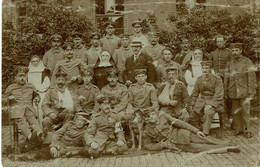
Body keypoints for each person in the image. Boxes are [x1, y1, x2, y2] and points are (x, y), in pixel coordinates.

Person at [143, 110, 240, 154]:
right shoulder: (147, 130)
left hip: (184, 134)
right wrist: (161, 145)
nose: (152, 117)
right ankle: (228, 149)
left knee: (206, 139)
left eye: (153, 114)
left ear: (155, 114)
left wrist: (196, 130)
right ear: (146, 120)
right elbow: (147, 145)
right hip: (178, 144)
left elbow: (181, 123)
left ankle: (229, 144)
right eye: (149, 117)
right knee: (201, 148)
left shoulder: (163, 116)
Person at [3, 66, 44, 143]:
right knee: (21, 121)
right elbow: (3, 99)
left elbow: (37, 96)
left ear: (26, 76)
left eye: (24, 76)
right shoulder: (11, 87)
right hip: (17, 110)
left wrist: (37, 99)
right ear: (16, 77)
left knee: (33, 120)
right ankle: (30, 136)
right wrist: (9, 98)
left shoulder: (31, 86)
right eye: (20, 76)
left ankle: (39, 134)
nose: (22, 78)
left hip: (29, 108)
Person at [224, 43, 256, 138]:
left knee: (245, 112)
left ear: (241, 51)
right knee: (235, 111)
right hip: (233, 91)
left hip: (244, 91)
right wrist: (226, 90)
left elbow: (251, 77)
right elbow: (226, 77)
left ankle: (247, 130)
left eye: (236, 50)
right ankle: (238, 129)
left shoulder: (247, 62)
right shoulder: (229, 63)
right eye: (233, 51)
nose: (234, 53)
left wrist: (251, 91)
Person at [190, 61, 225, 136]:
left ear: (210, 69)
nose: (204, 70)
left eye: (206, 68)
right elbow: (195, 93)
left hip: (215, 101)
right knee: (192, 113)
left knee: (209, 113)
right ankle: (196, 129)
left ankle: (205, 133)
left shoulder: (217, 79)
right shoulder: (199, 79)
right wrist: (192, 102)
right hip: (202, 101)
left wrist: (211, 105)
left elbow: (218, 94)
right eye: (203, 68)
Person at [28, 55, 51, 127]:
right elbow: (27, 83)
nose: (35, 63)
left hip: (41, 93)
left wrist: (38, 90)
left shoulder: (44, 71)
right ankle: (34, 128)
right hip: (31, 94)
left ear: (39, 61)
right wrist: (33, 90)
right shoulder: (28, 73)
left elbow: (47, 83)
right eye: (33, 61)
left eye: (36, 61)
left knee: (41, 109)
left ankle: (42, 127)